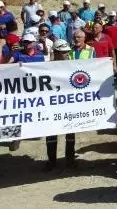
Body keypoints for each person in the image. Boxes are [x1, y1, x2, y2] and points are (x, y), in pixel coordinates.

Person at [43, 39, 79, 171]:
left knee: (70, 134)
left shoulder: (72, 66)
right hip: (52, 107)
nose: (66, 55)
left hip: (68, 107)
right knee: (51, 135)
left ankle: (70, 160)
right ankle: (51, 161)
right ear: (56, 53)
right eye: (63, 52)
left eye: (67, 52)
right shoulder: (46, 68)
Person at [8, 33, 46, 151]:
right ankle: (16, 139)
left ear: (34, 43)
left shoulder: (40, 56)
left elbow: (45, 71)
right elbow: (6, 65)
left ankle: (34, 132)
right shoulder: (17, 55)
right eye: (25, 42)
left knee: (35, 110)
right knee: (18, 113)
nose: (27, 44)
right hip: (20, 90)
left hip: (35, 89)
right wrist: (11, 53)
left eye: (29, 42)